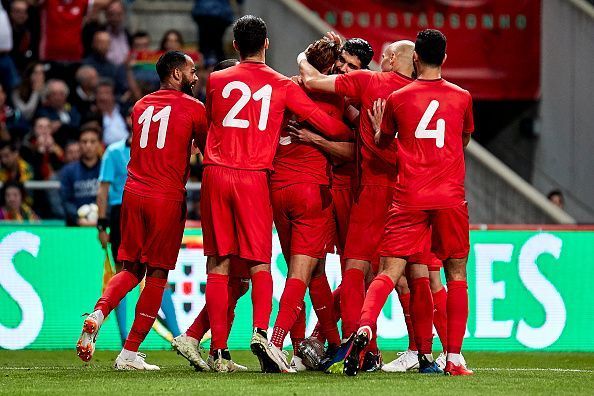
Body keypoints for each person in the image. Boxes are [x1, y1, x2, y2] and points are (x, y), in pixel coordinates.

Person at [201, 15, 353, 373]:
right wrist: (348, 132)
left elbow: (213, 121)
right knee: (264, 264)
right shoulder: (284, 87)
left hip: (219, 175)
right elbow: (329, 124)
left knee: (218, 264)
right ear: (266, 43)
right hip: (261, 178)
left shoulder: (216, 79)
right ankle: (268, 336)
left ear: (234, 46)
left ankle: (219, 352)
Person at [345, 29, 474, 377]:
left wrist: (373, 129)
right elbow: (463, 138)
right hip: (449, 196)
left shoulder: (399, 98)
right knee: (454, 274)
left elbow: (383, 138)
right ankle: (455, 358)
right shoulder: (462, 97)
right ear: (444, 58)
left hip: (408, 195)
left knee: (388, 270)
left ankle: (366, 325)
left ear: (415, 58)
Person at [76, 50, 208, 371]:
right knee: (158, 276)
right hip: (165, 197)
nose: (196, 77)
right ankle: (129, 353)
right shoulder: (194, 108)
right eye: (191, 72)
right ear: (176, 74)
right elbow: (209, 152)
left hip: (133, 194)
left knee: (131, 269)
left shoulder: (141, 105)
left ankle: (99, 312)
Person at [298, 38, 415, 367]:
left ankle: (356, 341)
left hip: (368, 191)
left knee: (357, 269)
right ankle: (427, 352)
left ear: (387, 59)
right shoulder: (420, 94)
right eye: (342, 63)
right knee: (410, 273)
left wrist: (302, 57)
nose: (344, 69)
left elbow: (311, 80)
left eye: (351, 65)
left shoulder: (370, 82)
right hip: (412, 194)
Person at [269, 37, 345, 373]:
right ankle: (275, 342)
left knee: (314, 274)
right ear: (330, 68)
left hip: (277, 187)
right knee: (301, 274)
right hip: (311, 190)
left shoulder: (283, 87)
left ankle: (324, 345)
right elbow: (340, 132)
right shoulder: (334, 96)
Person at [172, 59, 251, 373]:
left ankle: (198, 339)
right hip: (240, 190)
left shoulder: (212, 113)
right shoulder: (227, 116)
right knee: (230, 272)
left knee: (236, 279)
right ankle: (218, 350)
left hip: (217, 188)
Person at [59, 124, 102, 226]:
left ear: (99, 144)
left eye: (92, 141)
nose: (88, 145)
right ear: (79, 144)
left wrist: (102, 217)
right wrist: (78, 219)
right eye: (84, 141)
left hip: (103, 224)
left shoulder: (107, 168)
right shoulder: (68, 171)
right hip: (75, 226)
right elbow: (66, 200)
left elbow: (111, 198)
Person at [191, 0, 242, 64]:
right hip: (220, 13)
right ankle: (219, 65)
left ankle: (204, 64)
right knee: (217, 45)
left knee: (204, 44)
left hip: (203, 11)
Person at [95, 79, 128, 145]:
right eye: (100, 93)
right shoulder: (93, 116)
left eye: (107, 93)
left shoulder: (124, 111)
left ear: (113, 95)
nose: (103, 97)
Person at [105, 1, 131, 66]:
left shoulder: (127, 34)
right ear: (106, 15)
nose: (115, 18)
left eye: (119, 14)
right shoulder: (100, 32)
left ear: (124, 15)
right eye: (112, 14)